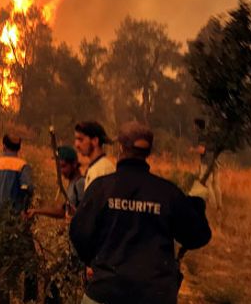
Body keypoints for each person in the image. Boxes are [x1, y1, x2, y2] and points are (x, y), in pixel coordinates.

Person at [70, 121, 212, 304]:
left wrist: (95, 261)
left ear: (120, 147)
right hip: (154, 295)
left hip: (105, 291)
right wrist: (196, 202)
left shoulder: (101, 188)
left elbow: (78, 233)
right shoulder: (167, 193)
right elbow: (197, 236)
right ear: (149, 152)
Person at [0, 134, 36, 304]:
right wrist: (25, 205)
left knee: (1, 267)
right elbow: (27, 187)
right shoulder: (22, 166)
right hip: (15, 224)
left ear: (3, 146)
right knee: (31, 263)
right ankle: (29, 300)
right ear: (19, 148)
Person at [26, 145, 85, 219]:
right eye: (59, 167)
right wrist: (36, 211)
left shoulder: (80, 183)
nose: (61, 171)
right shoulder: (72, 184)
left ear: (74, 164)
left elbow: (85, 212)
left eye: (63, 166)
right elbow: (62, 212)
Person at [74, 121, 116, 191]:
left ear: (95, 141)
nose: (76, 145)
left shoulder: (102, 170)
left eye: (81, 140)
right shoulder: (96, 167)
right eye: (76, 140)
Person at [192, 118, 222, 211]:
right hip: (215, 161)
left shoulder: (201, 136)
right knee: (216, 184)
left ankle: (213, 207)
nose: (193, 127)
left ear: (198, 126)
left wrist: (193, 150)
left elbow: (202, 150)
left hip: (206, 163)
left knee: (207, 184)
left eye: (194, 125)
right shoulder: (210, 135)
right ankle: (219, 205)